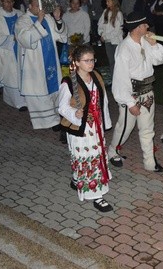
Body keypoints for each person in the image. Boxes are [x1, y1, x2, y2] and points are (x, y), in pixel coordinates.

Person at [108, 12, 163, 172]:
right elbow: (120, 79)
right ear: (136, 28)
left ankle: (150, 163)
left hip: (148, 92)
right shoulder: (124, 49)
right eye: (144, 25)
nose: (147, 27)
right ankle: (112, 151)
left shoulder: (145, 41)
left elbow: (159, 60)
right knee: (125, 127)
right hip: (132, 94)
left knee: (148, 129)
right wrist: (130, 103)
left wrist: (154, 44)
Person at [58, 45, 113, 212]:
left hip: (96, 126)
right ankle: (95, 195)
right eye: (86, 61)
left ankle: (77, 179)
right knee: (86, 157)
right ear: (77, 62)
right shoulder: (69, 82)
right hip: (80, 127)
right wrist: (76, 113)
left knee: (96, 154)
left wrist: (105, 122)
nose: (91, 64)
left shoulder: (96, 76)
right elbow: (62, 107)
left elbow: (103, 101)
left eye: (92, 60)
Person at [15, 0, 68, 129]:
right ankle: (49, 122)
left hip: (51, 59)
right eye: (37, 5)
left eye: (41, 5)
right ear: (30, 6)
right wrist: (38, 21)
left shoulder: (48, 18)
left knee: (53, 89)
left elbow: (61, 36)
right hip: (34, 64)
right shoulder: (22, 21)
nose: (40, 8)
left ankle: (56, 116)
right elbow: (25, 39)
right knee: (40, 90)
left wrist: (57, 19)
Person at [0, 0, 27, 110]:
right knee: (11, 76)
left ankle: (25, 98)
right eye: (6, 1)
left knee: (22, 74)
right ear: (1, 2)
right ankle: (17, 102)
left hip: (21, 49)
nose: (9, 4)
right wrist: (12, 38)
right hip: (6, 51)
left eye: (11, 1)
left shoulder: (20, 14)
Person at [97, 0, 123, 77]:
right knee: (111, 61)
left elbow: (116, 31)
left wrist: (105, 37)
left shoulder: (118, 14)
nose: (106, 3)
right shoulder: (105, 12)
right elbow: (100, 24)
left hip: (116, 41)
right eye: (106, 1)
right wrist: (101, 33)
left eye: (108, 1)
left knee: (118, 61)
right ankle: (113, 78)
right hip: (107, 42)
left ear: (113, 1)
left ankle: (120, 78)